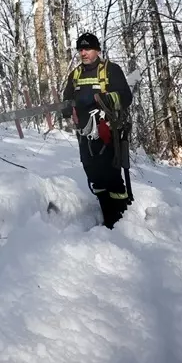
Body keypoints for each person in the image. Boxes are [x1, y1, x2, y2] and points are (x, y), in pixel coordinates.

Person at [62, 32, 133, 229]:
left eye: (88, 49)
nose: (83, 53)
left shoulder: (111, 70)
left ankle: (122, 221)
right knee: (94, 175)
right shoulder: (75, 75)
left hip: (108, 133)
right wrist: (67, 108)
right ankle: (107, 215)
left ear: (97, 50)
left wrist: (106, 99)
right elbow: (67, 99)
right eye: (81, 49)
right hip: (85, 135)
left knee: (111, 176)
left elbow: (126, 97)